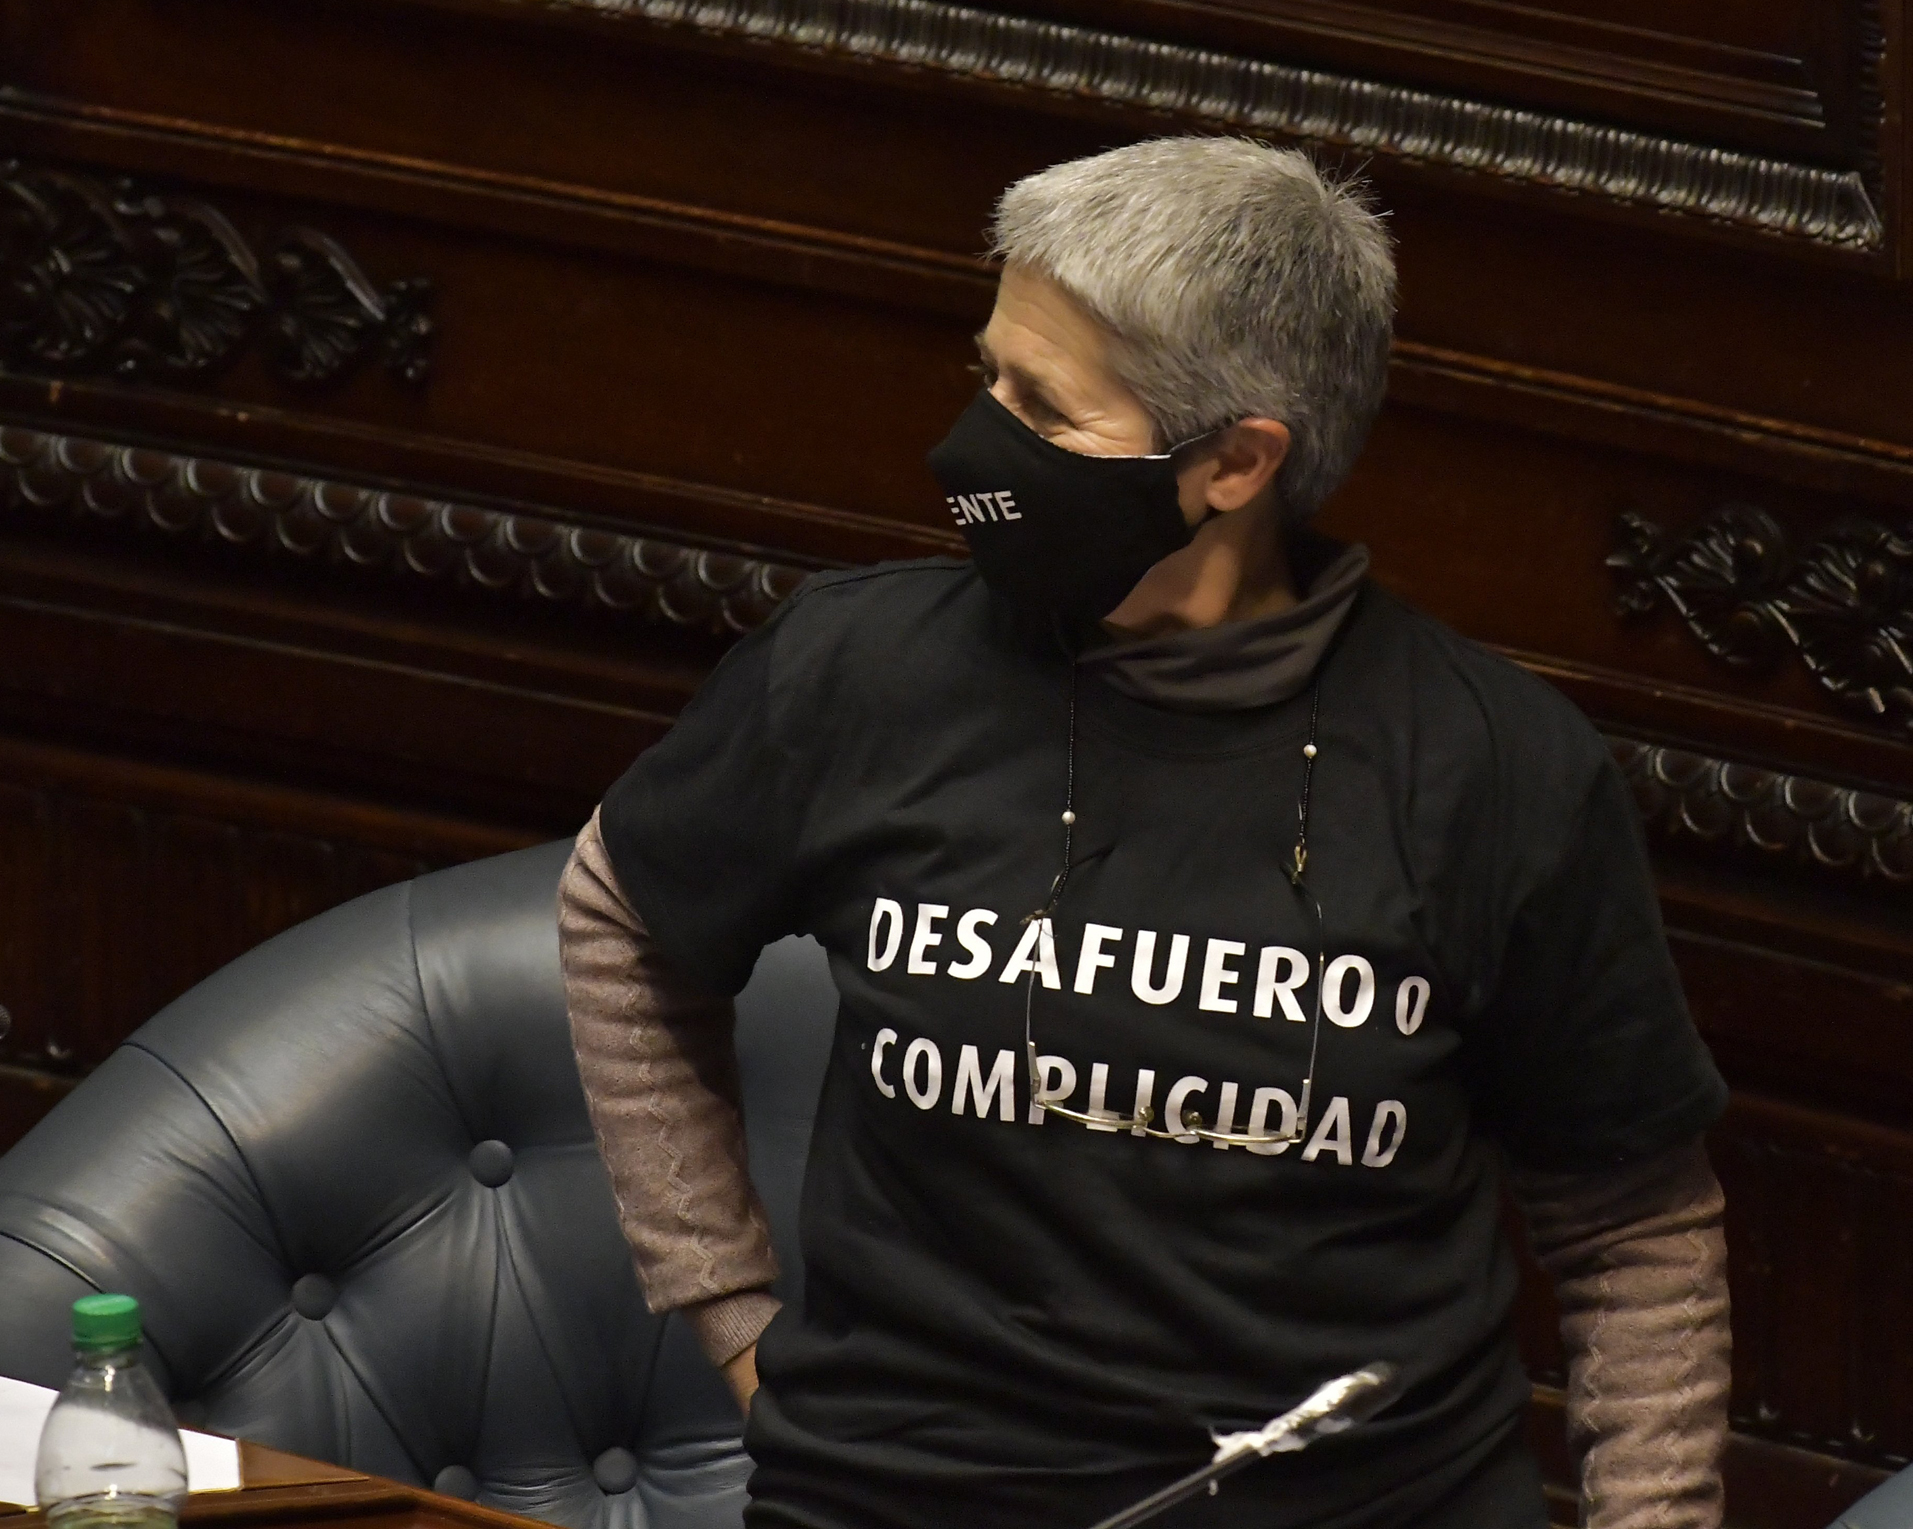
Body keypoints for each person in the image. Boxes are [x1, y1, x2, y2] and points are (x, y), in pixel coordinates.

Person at [560, 135, 1731, 1529]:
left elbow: (1635, 1225)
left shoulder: (1497, 770)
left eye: (1043, 410)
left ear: (1234, 463)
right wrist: (729, 1312)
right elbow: (622, 918)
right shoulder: (854, 673)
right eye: (988, 375)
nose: (975, 448)